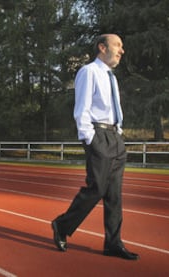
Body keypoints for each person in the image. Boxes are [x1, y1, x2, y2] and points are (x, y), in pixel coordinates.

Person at [51, 34, 139, 260]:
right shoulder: (88, 71)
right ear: (102, 47)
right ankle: (62, 225)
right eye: (117, 45)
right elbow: (82, 108)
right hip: (98, 135)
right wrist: (89, 138)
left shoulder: (111, 77)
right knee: (97, 188)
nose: (122, 50)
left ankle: (113, 243)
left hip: (114, 136)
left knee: (114, 195)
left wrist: (118, 132)